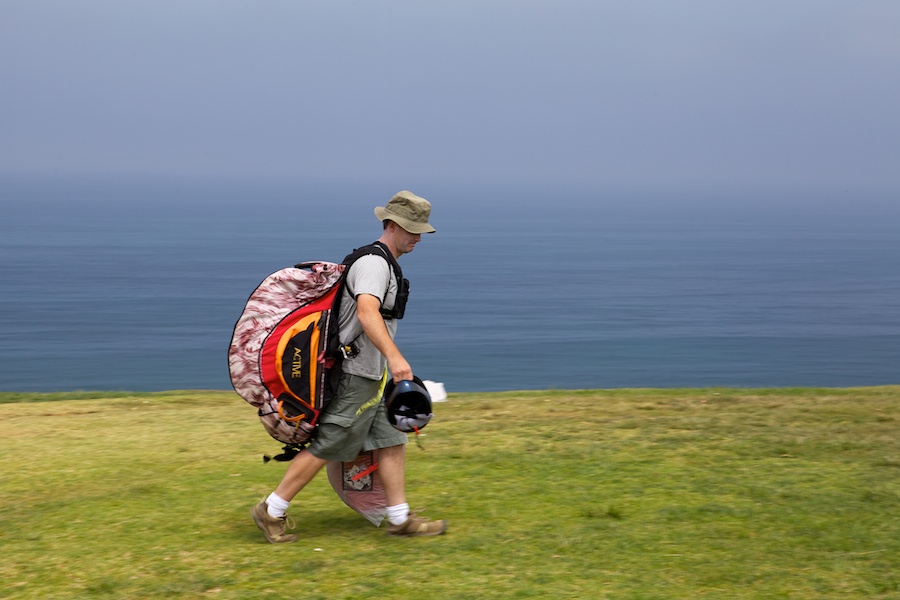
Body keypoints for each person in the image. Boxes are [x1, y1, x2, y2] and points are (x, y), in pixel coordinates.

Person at [251, 190, 447, 542]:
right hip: (355, 374)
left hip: (371, 373)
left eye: (421, 231)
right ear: (390, 224)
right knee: (329, 444)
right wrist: (395, 357)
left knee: (390, 439)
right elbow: (366, 312)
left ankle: (400, 519)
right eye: (412, 229)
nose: (418, 238)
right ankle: (272, 510)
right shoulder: (373, 264)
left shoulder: (385, 262)